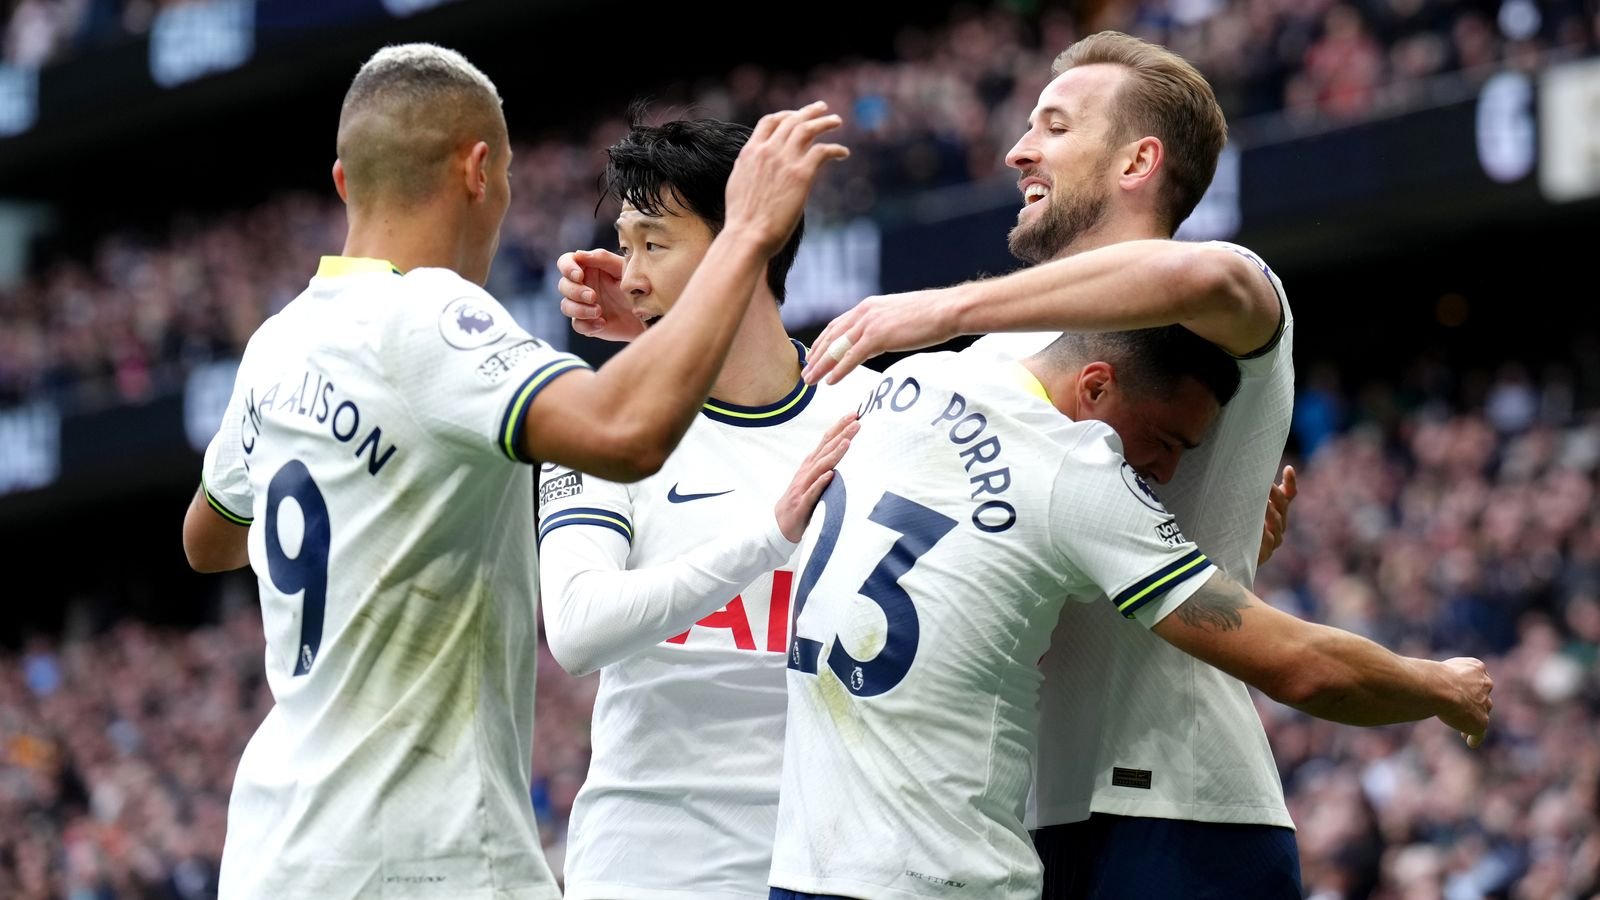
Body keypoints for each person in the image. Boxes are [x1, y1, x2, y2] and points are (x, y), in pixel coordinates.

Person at [179, 44, 848, 898]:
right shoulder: (435, 316)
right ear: (480, 169)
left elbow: (208, 539)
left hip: (277, 846)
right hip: (423, 851)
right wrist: (747, 232)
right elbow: (628, 435)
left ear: (346, 182)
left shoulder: (281, 342)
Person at [798, 31, 1315, 897]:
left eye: (1056, 126)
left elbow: (1207, 280)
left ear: (1137, 161)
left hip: (1179, 809)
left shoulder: (1222, 294)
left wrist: (947, 306)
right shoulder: (1020, 351)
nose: (1017, 149)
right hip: (1028, 817)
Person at [767, 327, 1492, 900]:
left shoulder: (910, 380)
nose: (1168, 471)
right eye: (1167, 440)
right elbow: (1300, 669)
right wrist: (1440, 686)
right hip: (943, 875)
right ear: (1096, 384)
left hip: (805, 864)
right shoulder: (1075, 470)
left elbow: (975, 572)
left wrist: (1216, 562)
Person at [536, 115, 882, 900]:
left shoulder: (875, 412)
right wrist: (767, 535)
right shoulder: (597, 420)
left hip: (837, 863)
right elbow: (580, 629)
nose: (627, 277)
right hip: (653, 871)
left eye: (654, 245)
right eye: (625, 246)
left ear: (746, 243)